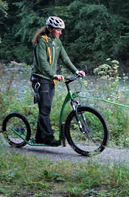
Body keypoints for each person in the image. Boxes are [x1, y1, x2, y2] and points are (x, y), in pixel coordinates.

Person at [31, 16, 86, 146]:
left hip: (49, 79)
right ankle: (48, 138)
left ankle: (39, 137)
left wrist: (75, 71)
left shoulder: (57, 42)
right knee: (45, 109)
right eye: (58, 30)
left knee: (45, 108)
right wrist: (54, 75)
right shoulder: (42, 42)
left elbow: (65, 58)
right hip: (40, 78)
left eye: (61, 30)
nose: (60, 32)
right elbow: (43, 62)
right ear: (50, 28)